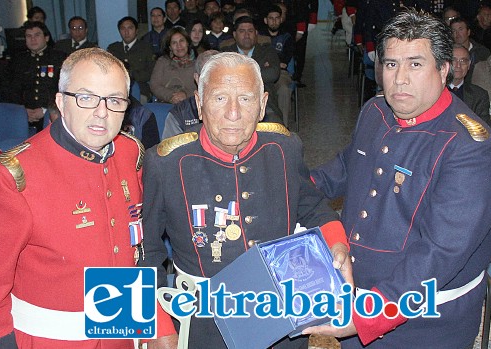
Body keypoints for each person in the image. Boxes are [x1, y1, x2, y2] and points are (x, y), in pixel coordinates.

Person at [0, 47, 178, 349]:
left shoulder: (130, 153)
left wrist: (154, 322)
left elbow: (129, 253)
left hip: (122, 332)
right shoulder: (13, 175)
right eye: (86, 98)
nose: (102, 113)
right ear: (61, 101)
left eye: (115, 100)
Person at [308, 9, 491, 348]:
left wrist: (369, 314)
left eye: (415, 64)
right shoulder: (375, 113)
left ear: (443, 69)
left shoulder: (468, 145)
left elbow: (440, 253)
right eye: (391, 64)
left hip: (423, 321)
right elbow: (344, 168)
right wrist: (284, 190)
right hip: (356, 289)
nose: (400, 78)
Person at [140, 51, 351, 349]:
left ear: (263, 105)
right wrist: (158, 325)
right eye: (219, 98)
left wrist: (337, 242)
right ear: (199, 104)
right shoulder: (166, 163)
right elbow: (144, 251)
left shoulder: (284, 148)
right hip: (205, 322)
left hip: (280, 317)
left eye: (246, 99)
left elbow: (314, 207)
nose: (233, 113)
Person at [222, 16, 283, 123]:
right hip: (233, 102)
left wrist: (238, 75)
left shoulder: (268, 51)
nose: (247, 35)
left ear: (256, 33)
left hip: (263, 101)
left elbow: (273, 74)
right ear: (235, 35)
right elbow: (223, 76)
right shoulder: (226, 53)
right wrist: (258, 73)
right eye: (242, 31)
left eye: (250, 31)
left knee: (275, 124)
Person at [7, 21, 67, 132]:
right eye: (28, 36)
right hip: (23, 115)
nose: (32, 39)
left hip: (52, 114)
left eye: (37, 35)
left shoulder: (59, 58)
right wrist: (23, 111)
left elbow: (63, 88)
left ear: (47, 38)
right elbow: (12, 90)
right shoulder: (18, 61)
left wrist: (45, 110)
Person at [161, 49, 219, 139]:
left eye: (218, 76)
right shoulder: (179, 113)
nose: (213, 82)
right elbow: (170, 151)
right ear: (197, 78)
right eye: (207, 76)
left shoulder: (237, 109)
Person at [261, 5, 295, 128]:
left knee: (284, 90)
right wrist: (275, 62)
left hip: (281, 74)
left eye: (277, 18)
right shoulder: (259, 36)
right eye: (271, 18)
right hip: (262, 73)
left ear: (281, 19)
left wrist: (270, 62)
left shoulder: (287, 37)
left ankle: (283, 128)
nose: (274, 21)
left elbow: (285, 60)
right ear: (266, 20)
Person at [108, 16, 155, 104]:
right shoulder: (113, 48)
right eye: (123, 29)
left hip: (140, 88)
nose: (126, 32)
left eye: (130, 28)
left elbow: (150, 72)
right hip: (115, 88)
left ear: (136, 30)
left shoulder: (146, 48)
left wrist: (131, 74)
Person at [149, 27, 196, 104]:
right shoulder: (162, 61)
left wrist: (186, 95)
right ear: (170, 47)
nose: (179, 46)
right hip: (165, 103)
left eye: (181, 41)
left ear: (187, 42)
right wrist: (171, 96)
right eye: (174, 43)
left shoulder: (198, 63)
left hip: (190, 104)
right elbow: (154, 85)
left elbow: (203, 88)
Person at [448, 43, 490, 124]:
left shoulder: (479, 96)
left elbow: (483, 130)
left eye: (463, 61)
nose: (458, 65)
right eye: (454, 60)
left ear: (469, 65)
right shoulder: (434, 92)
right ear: (446, 63)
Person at [450, 17, 490, 81]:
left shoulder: (482, 52)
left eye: (461, 29)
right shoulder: (447, 52)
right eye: (454, 31)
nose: (457, 34)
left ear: (468, 32)